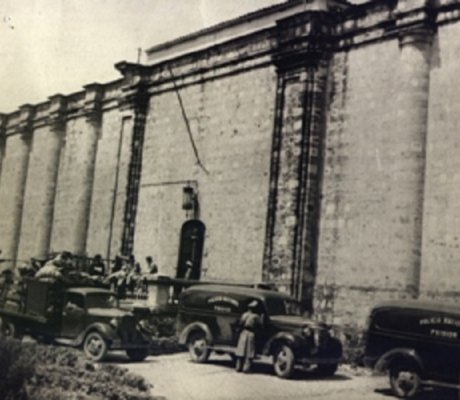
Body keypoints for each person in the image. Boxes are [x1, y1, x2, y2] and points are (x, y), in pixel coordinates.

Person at [235, 300, 263, 373]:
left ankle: (238, 367)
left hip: (243, 332)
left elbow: (240, 323)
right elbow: (260, 325)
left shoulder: (244, 315)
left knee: (241, 350)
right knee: (249, 352)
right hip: (251, 333)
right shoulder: (256, 316)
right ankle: (246, 368)